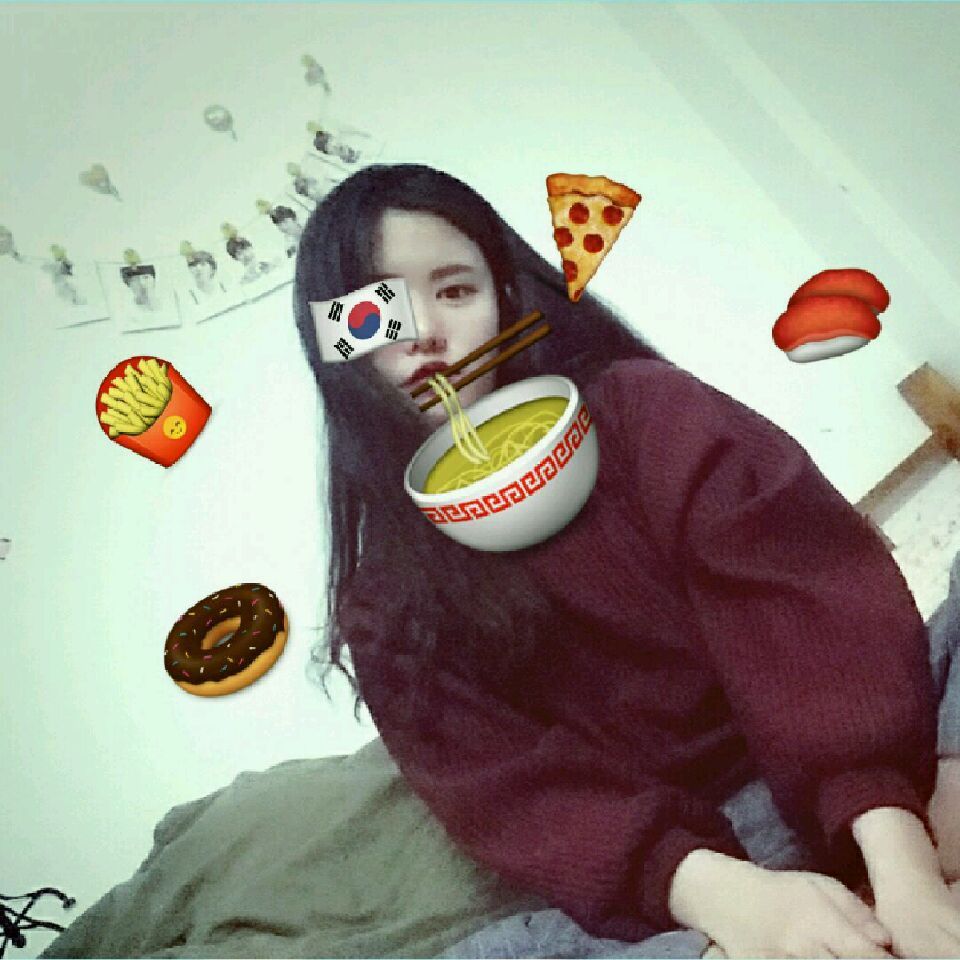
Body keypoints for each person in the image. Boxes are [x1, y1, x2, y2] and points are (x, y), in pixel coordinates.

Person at [293, 163, 960, 959]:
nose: (426, 333)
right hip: (696, 864)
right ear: (338, 349)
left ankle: (929, 813)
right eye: (377, 313)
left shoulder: (645, 409)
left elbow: (806, 609)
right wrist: (735, 904)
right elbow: (520, 798)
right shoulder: (382, 601)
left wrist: (902, 863)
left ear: (506, 296)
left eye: (456, 291)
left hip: (865, 769)